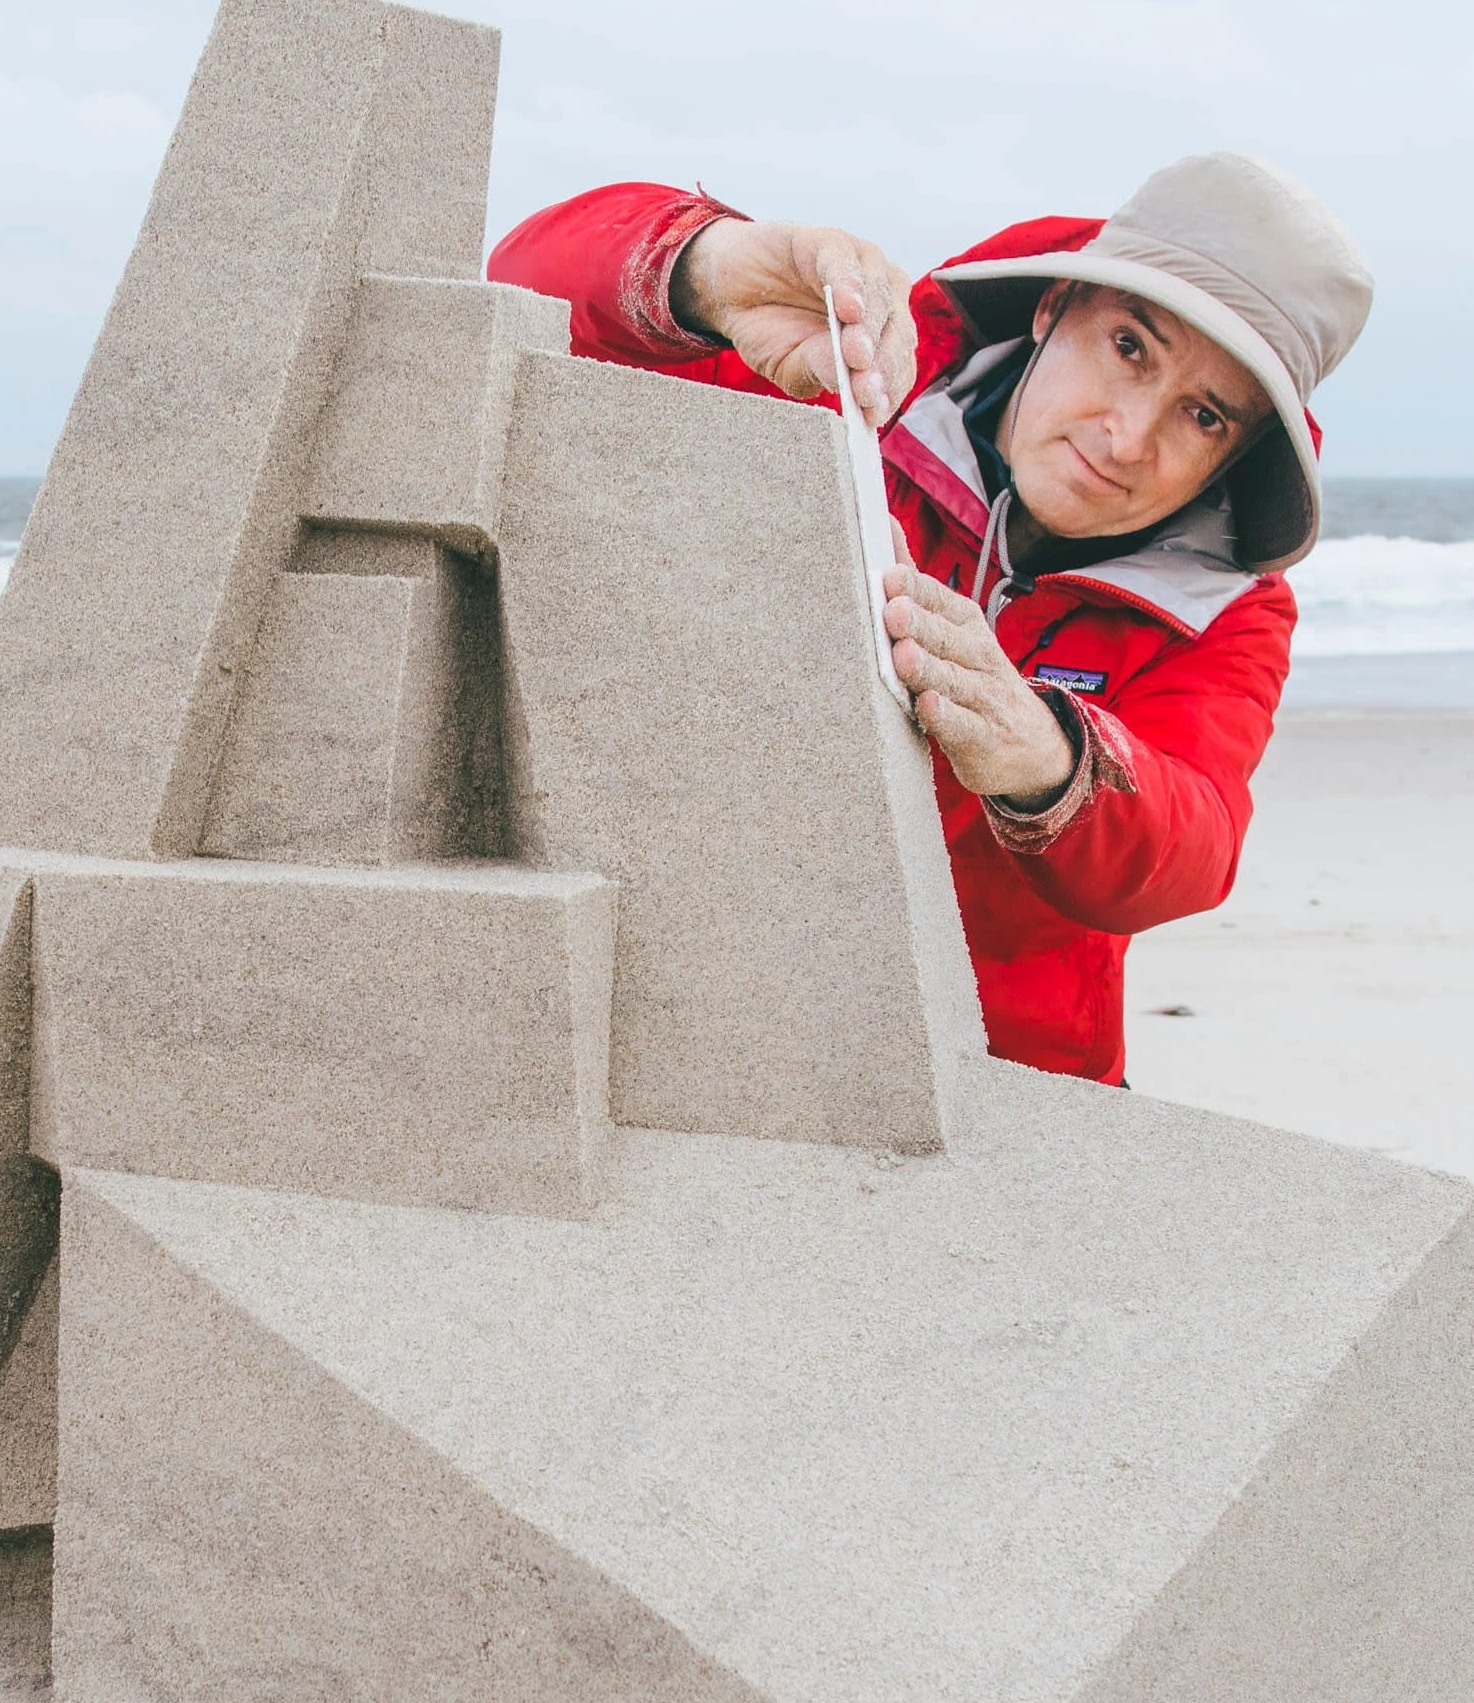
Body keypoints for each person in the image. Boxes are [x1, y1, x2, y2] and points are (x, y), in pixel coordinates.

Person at [487, 155, 1373, 1084]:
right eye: (1129, 347)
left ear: (1240, 455)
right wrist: (709, 267)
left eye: (1202, 415)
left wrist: (1053, 762)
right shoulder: (841, 386)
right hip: (704, 1021)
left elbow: (1193, 847)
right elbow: (519, 296)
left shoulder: (1231, 608)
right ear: (1053, 305)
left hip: (1011, 1079)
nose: (1127, 438)